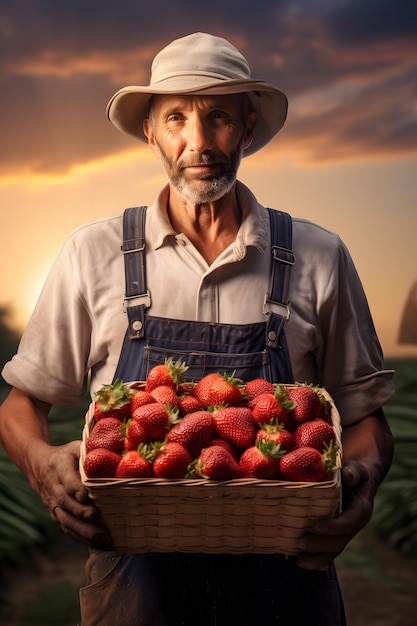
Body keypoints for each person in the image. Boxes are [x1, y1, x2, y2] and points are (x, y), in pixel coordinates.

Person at [0, 32, 394, 626]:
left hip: (287, 585)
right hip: (135, 585)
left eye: (219, 119)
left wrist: (359, 483)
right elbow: (21, 404)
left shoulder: (318, 256)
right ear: (150, 131)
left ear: (249, 129)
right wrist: (43, 467)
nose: (199, 143)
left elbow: (364, 419)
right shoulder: (93, 252)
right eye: (177, 118)